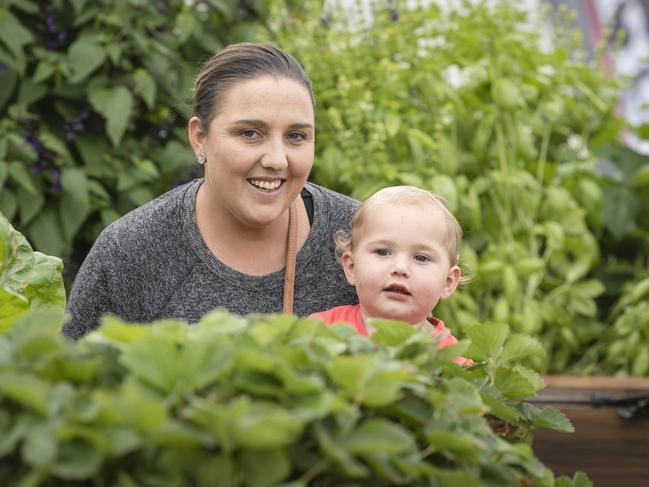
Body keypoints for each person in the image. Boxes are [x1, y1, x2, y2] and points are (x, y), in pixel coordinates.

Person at [62, 43, 358, 339]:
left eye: (296, 136)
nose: (277, 160)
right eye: (249, 133)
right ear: (200, 138)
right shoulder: (130, 253)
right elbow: (71, 373)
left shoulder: (366, 238)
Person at [311, 186, 471, 364]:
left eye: (421, 258)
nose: (400, 268)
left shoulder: (452, 363)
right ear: (351, 266)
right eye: (383, 252)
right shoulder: (319, 332)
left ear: (448, 282)